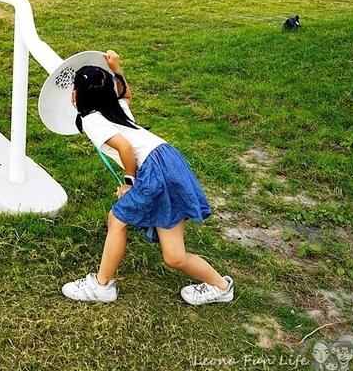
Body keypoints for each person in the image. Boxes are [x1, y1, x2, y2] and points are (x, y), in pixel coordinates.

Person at [62, 50, 233, 306]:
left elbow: (125, 148)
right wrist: (117, 70)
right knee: (174, 257)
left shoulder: (91, 120)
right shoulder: (116, 106)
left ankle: (102, 286)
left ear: (77, 95)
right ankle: (221, 287)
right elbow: (126, 95)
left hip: (154, 167)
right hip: (169, 159)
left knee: (117, 218)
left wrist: (129, 181)